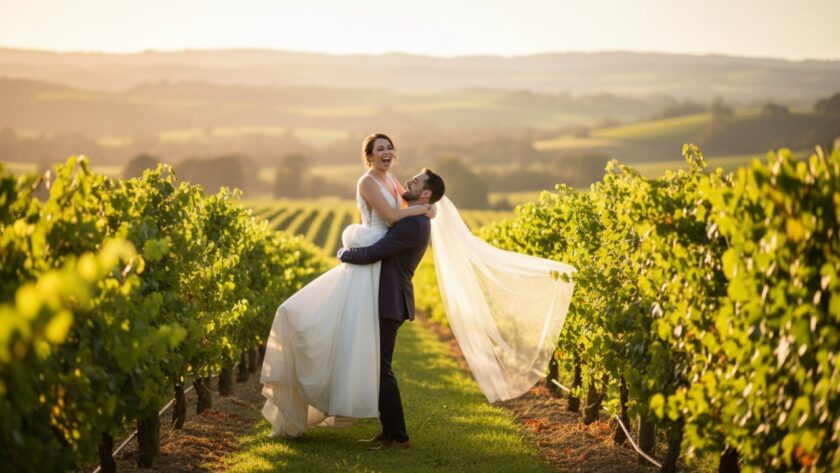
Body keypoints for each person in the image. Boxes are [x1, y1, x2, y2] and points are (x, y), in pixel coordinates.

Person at [259, 133, 434, 438]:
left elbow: (405, 208)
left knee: (372, 357)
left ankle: (393, 432)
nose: (386, 152)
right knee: (307, 319)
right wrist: (424, 208)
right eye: (379, 148)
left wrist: (428, 205)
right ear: (369, 156)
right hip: (370, 260)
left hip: (379, 268)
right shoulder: (368, 182)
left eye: (389, 147)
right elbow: (392, 215)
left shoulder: (393, 180)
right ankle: (390, 431)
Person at [337, 167, 446, 449]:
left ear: (425, 193)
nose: (409, 181)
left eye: (416, 182)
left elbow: (375, 252)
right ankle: (389, 431)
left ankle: (398, 436)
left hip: (390, 300)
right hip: (388, 298)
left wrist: (344, 253)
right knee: (379, 366)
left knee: (381, 368)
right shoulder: (417, 218)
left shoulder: (413, 225)